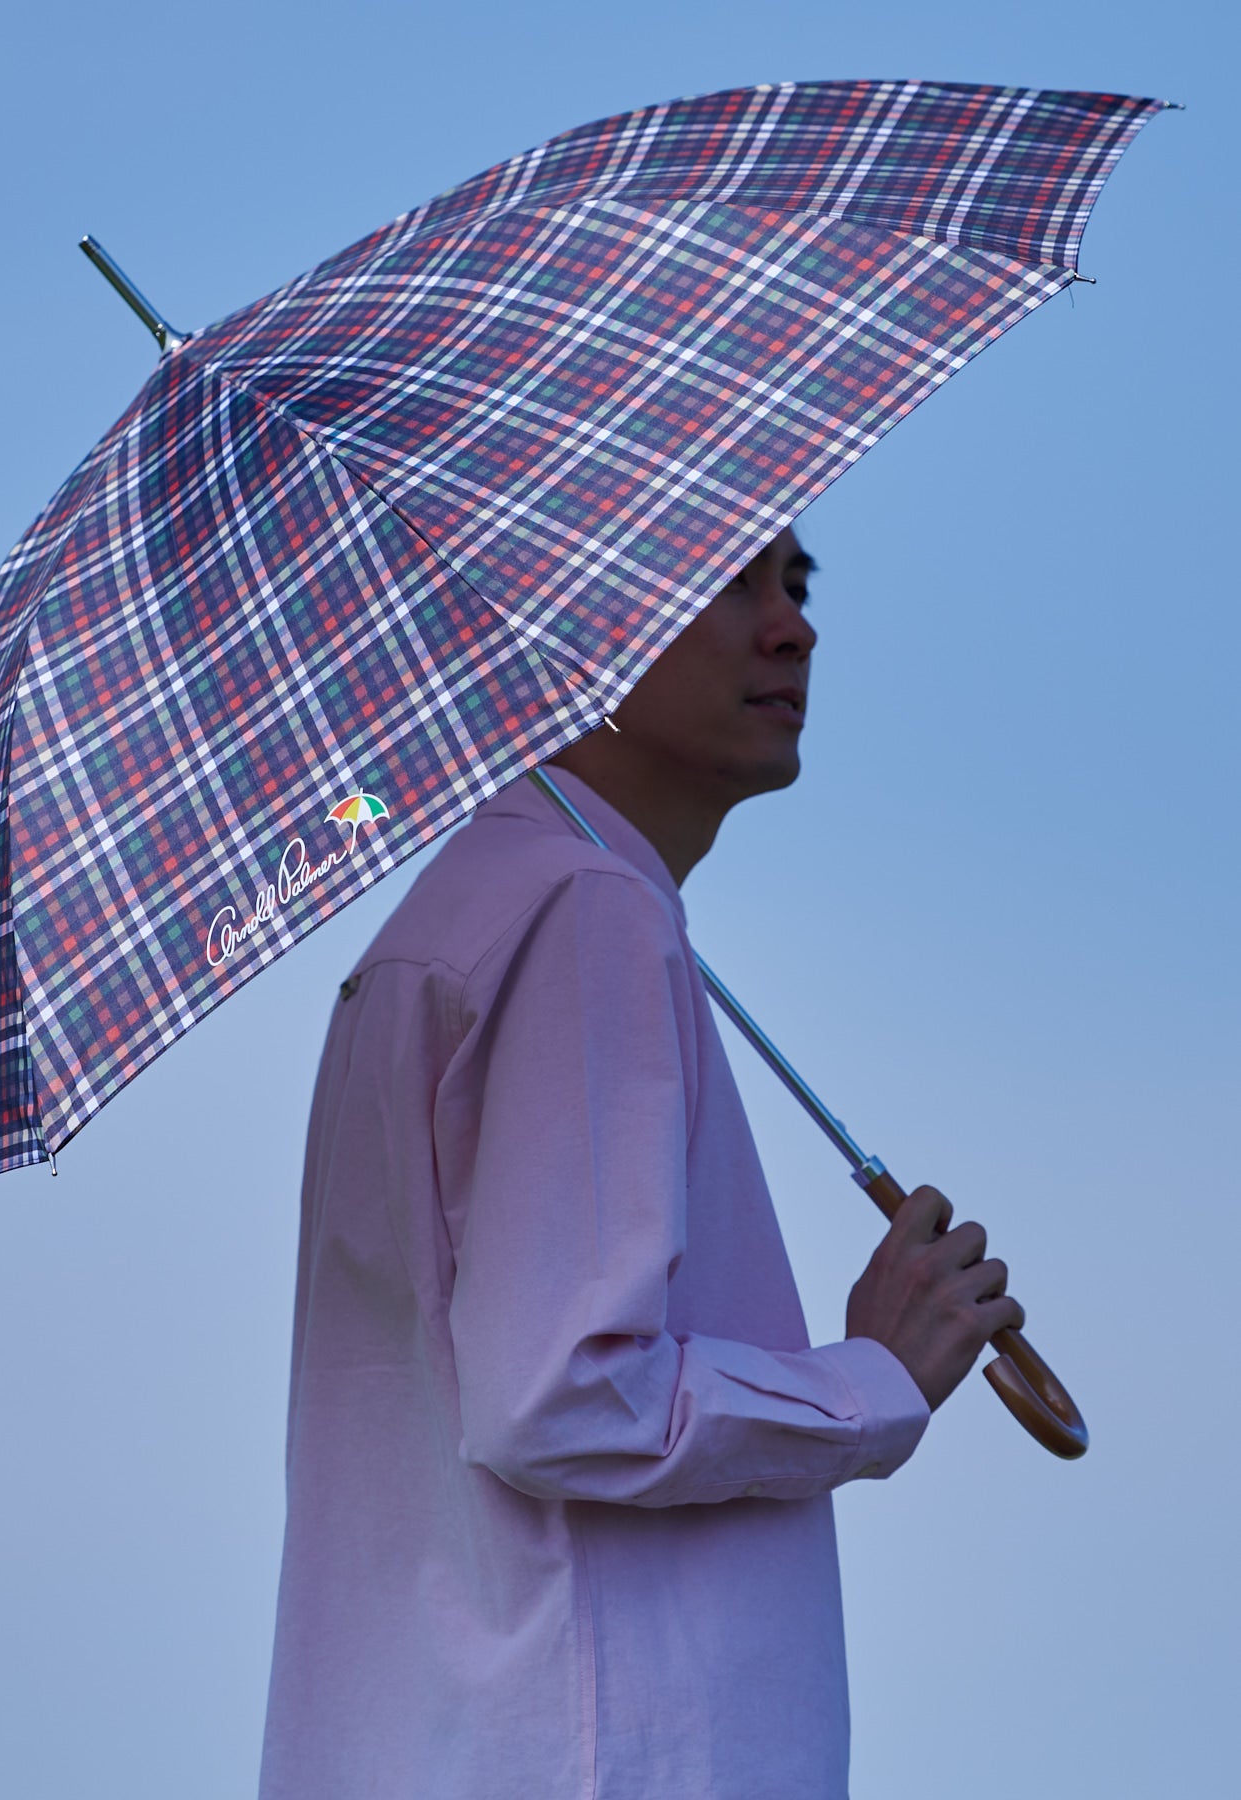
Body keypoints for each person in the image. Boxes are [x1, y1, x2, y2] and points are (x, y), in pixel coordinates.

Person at [257, 524, 1025, 1800]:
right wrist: (869, 1380)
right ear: (563, 614)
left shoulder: (459, 919)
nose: (793, 628)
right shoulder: (580, 909)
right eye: (729, 579)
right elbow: (561, 1393)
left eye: (796, 581)